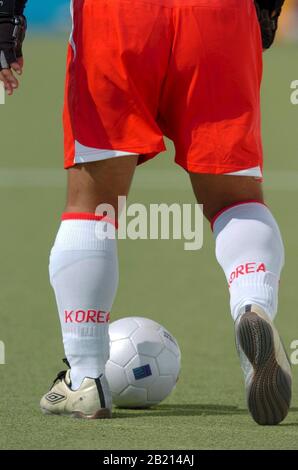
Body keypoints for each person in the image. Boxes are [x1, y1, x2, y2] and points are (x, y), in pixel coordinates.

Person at [0, 0, 290, 425]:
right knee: (234, 196)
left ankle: (85, 378)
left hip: (119, 17)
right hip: (218, 14)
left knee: (92, 206)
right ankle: (252, 307)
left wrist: (8, 14)